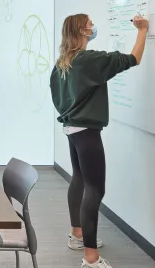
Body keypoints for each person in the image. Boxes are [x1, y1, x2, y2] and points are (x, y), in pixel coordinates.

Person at [50, 14, 148, 268]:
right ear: (82, 30)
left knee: (80, 180)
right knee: (95, 189)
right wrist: (143, 30)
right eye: (91, 23)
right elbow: (134, 58)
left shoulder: (63, 62)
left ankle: (77, 235)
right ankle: (91, 258)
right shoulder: (89, 60)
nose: (94, 27)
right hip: (87, 133)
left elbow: (57, 98)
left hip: (72, 129)